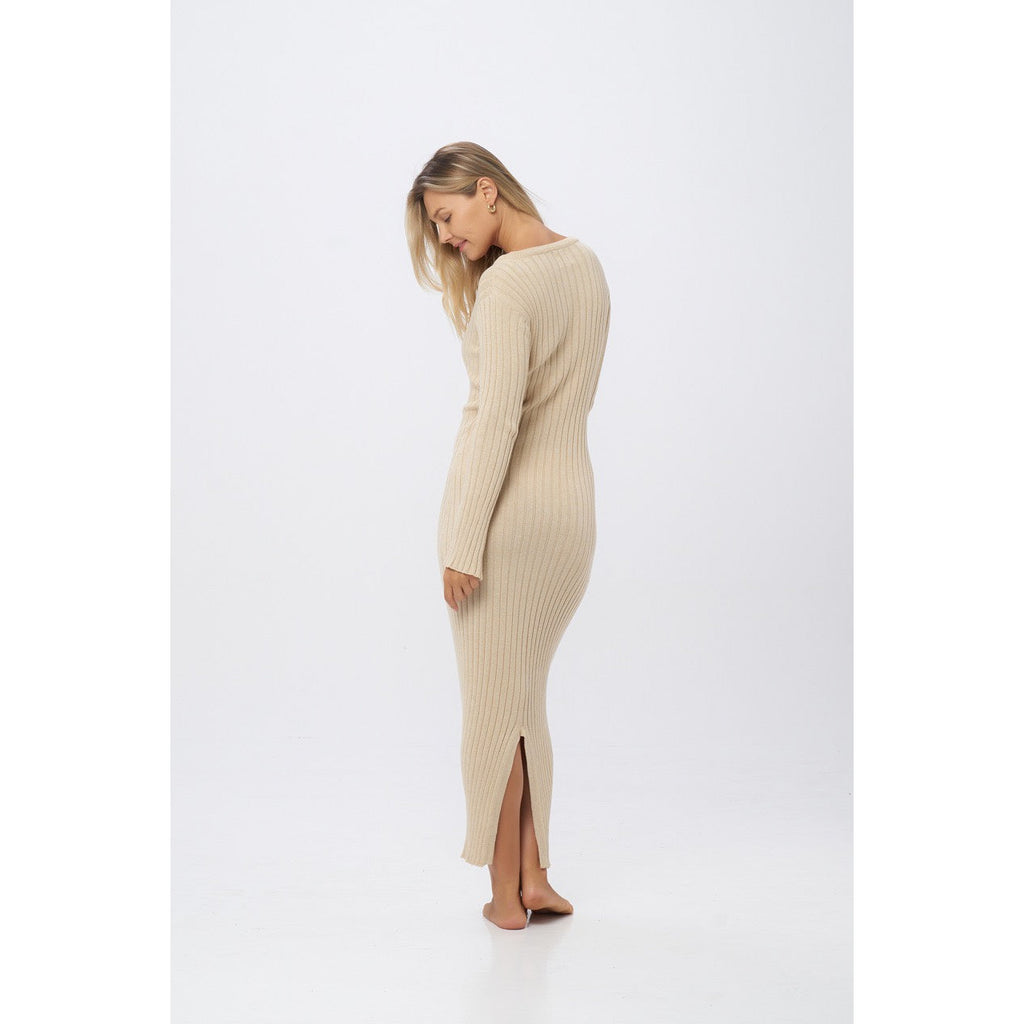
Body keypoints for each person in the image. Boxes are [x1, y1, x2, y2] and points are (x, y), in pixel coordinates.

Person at [406, 141, 611, 930]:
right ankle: (534, 877)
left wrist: (463, 544)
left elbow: (495, 423)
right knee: (524, 701)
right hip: (572, 514)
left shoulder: (508, 285)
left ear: (487, 192)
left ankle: (502, 897)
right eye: (435, 227)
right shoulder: (584, 265)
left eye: (446, 216)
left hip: (508, 521)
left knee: (493, 708)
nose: (446, 237)